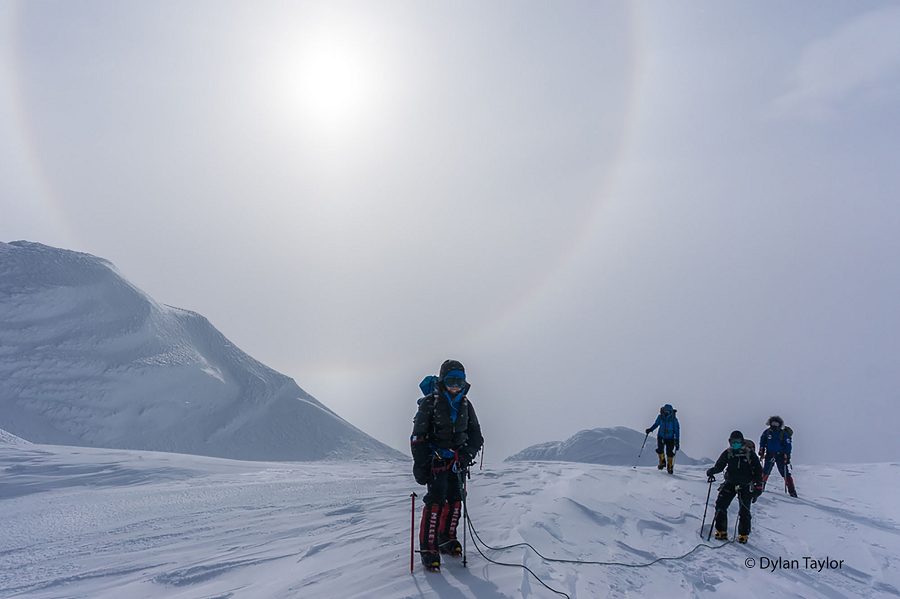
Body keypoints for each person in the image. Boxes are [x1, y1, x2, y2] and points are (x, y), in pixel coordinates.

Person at [410, 360, 484, 571]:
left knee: (455, 500)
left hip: (458, 463)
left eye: (460, 382)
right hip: (436, 462)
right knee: (435, 503)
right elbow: (418, 436)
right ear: (443, 381)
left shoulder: (466, 405)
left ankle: (446, 539)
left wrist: (467, 452)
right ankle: (429, 549)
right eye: (451, 381)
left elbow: (476, 435)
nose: (455, 386)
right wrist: (420, 464)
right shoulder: (429, 403)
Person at [706, 431, 764, 543]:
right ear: (730, 442)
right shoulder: (728, 453)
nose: (735, 444)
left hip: (745, 485)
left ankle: (743, 535)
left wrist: (758, 487)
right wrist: (712, 471)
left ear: (742, 441)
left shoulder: (750, 454)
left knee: (744, 511)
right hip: (730, 483)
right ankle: (721, 531)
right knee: (720, 505)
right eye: (733, 442)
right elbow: (720, 465)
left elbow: (758, 470)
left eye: (737, 441)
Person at [759, 415, 797, 497]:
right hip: (769, 454)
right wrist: (761, 449)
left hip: (780, 455)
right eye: (773, 423)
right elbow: (762, 441)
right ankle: (760, 487)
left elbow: (788, 445)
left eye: (776, 423)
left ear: (780, 425)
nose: (774, 425)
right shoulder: (767, 432)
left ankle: (792, 491)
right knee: (766, 471)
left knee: (785, 473)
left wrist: (787, 455)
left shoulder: (783, 434)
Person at [645, 404, 680, 474]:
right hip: (661, 436)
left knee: (669, 452)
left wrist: (677, 440)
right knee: (660, 450)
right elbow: (656, 424)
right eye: (665, 411)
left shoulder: (673, 419)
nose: (667, 412)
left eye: (668, 411)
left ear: (671, 411)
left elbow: (677, 430)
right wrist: (651, 429)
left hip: (670, 438)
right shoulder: (660, 417)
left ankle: (670, 466)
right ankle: (662, 462)